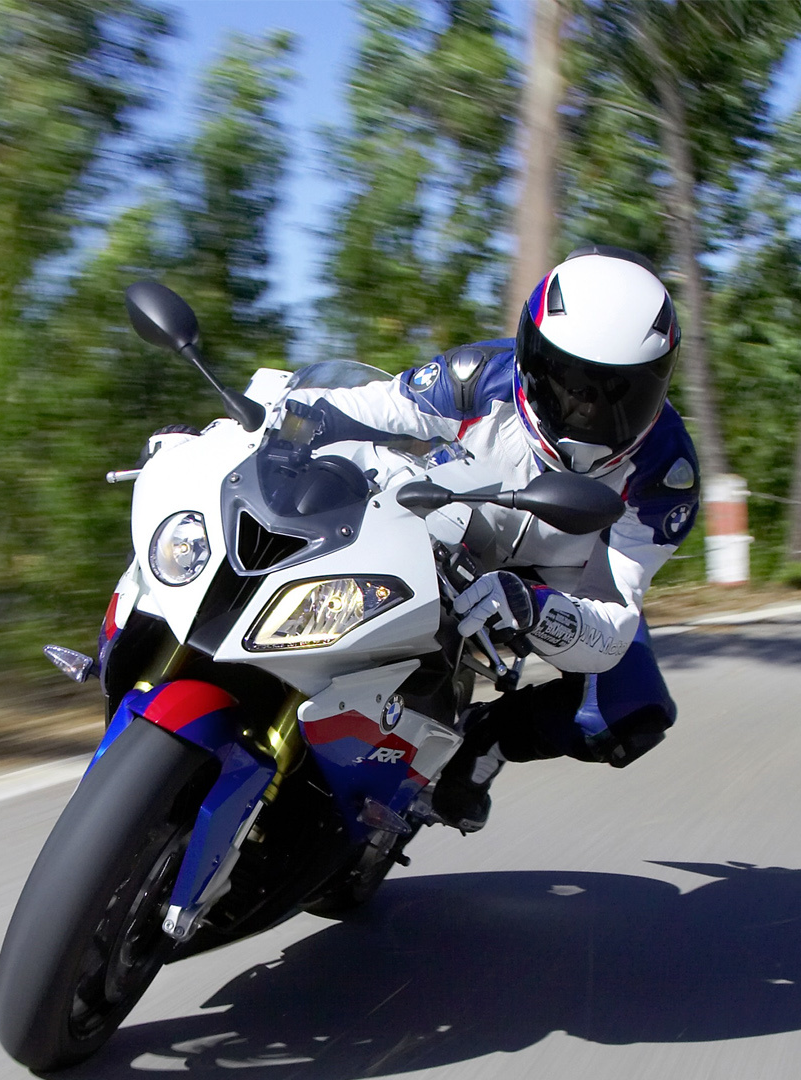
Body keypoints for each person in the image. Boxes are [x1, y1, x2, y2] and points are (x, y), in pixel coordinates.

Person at [285, 245, 701, 832]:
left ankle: (487, 744)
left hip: (562, 580)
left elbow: (612, 620)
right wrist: (266, 418)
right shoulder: (480, 375)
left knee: (633, 714)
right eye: (567, 380)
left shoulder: (667, 476)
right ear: (532, 358)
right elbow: (372, 407)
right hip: (445, 522)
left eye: (615, 392)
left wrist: (536, 608)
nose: (583, 407)